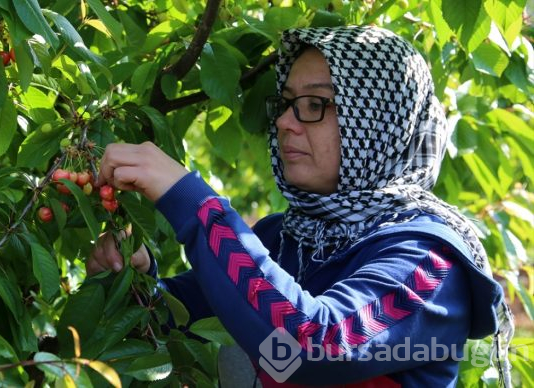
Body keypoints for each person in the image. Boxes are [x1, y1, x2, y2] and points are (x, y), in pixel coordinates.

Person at [88, 25, 514, 387]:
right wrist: (133, 283)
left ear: (381, 122)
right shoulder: (279, 239)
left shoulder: (429, 263)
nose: (285, 122)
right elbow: (176, 331)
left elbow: (317, 344)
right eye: (288, 103)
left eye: (316, 105)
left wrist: (193, 203)